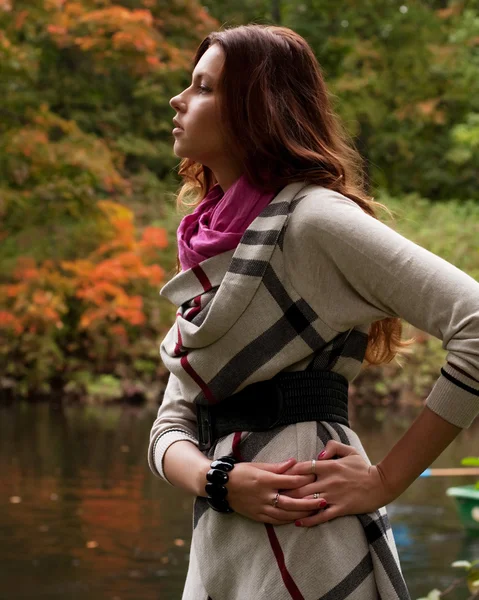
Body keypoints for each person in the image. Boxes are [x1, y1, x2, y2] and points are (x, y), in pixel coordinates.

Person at [148, 24, 479, 600]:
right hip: (224, 538)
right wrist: (221, 481)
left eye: (203, 87)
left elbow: (475, 321)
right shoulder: (219, 248)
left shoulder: (313, 220)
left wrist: (384, 480)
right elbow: (170, 426)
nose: (179, 100)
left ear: (256, 109)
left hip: (311, 531)